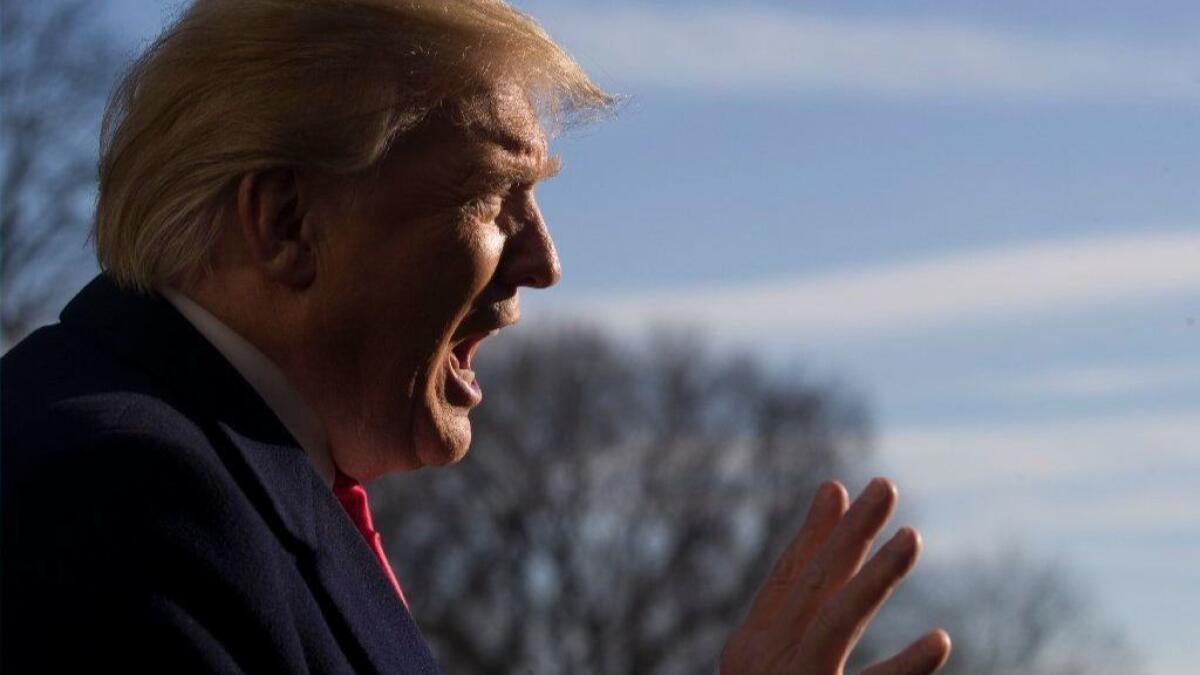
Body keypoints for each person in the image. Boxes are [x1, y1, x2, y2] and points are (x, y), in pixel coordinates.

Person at [0, 0, 951, 673]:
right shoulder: (119, 491)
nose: (543, 261)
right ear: (289, 222)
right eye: (498, 198)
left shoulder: (208, 476)